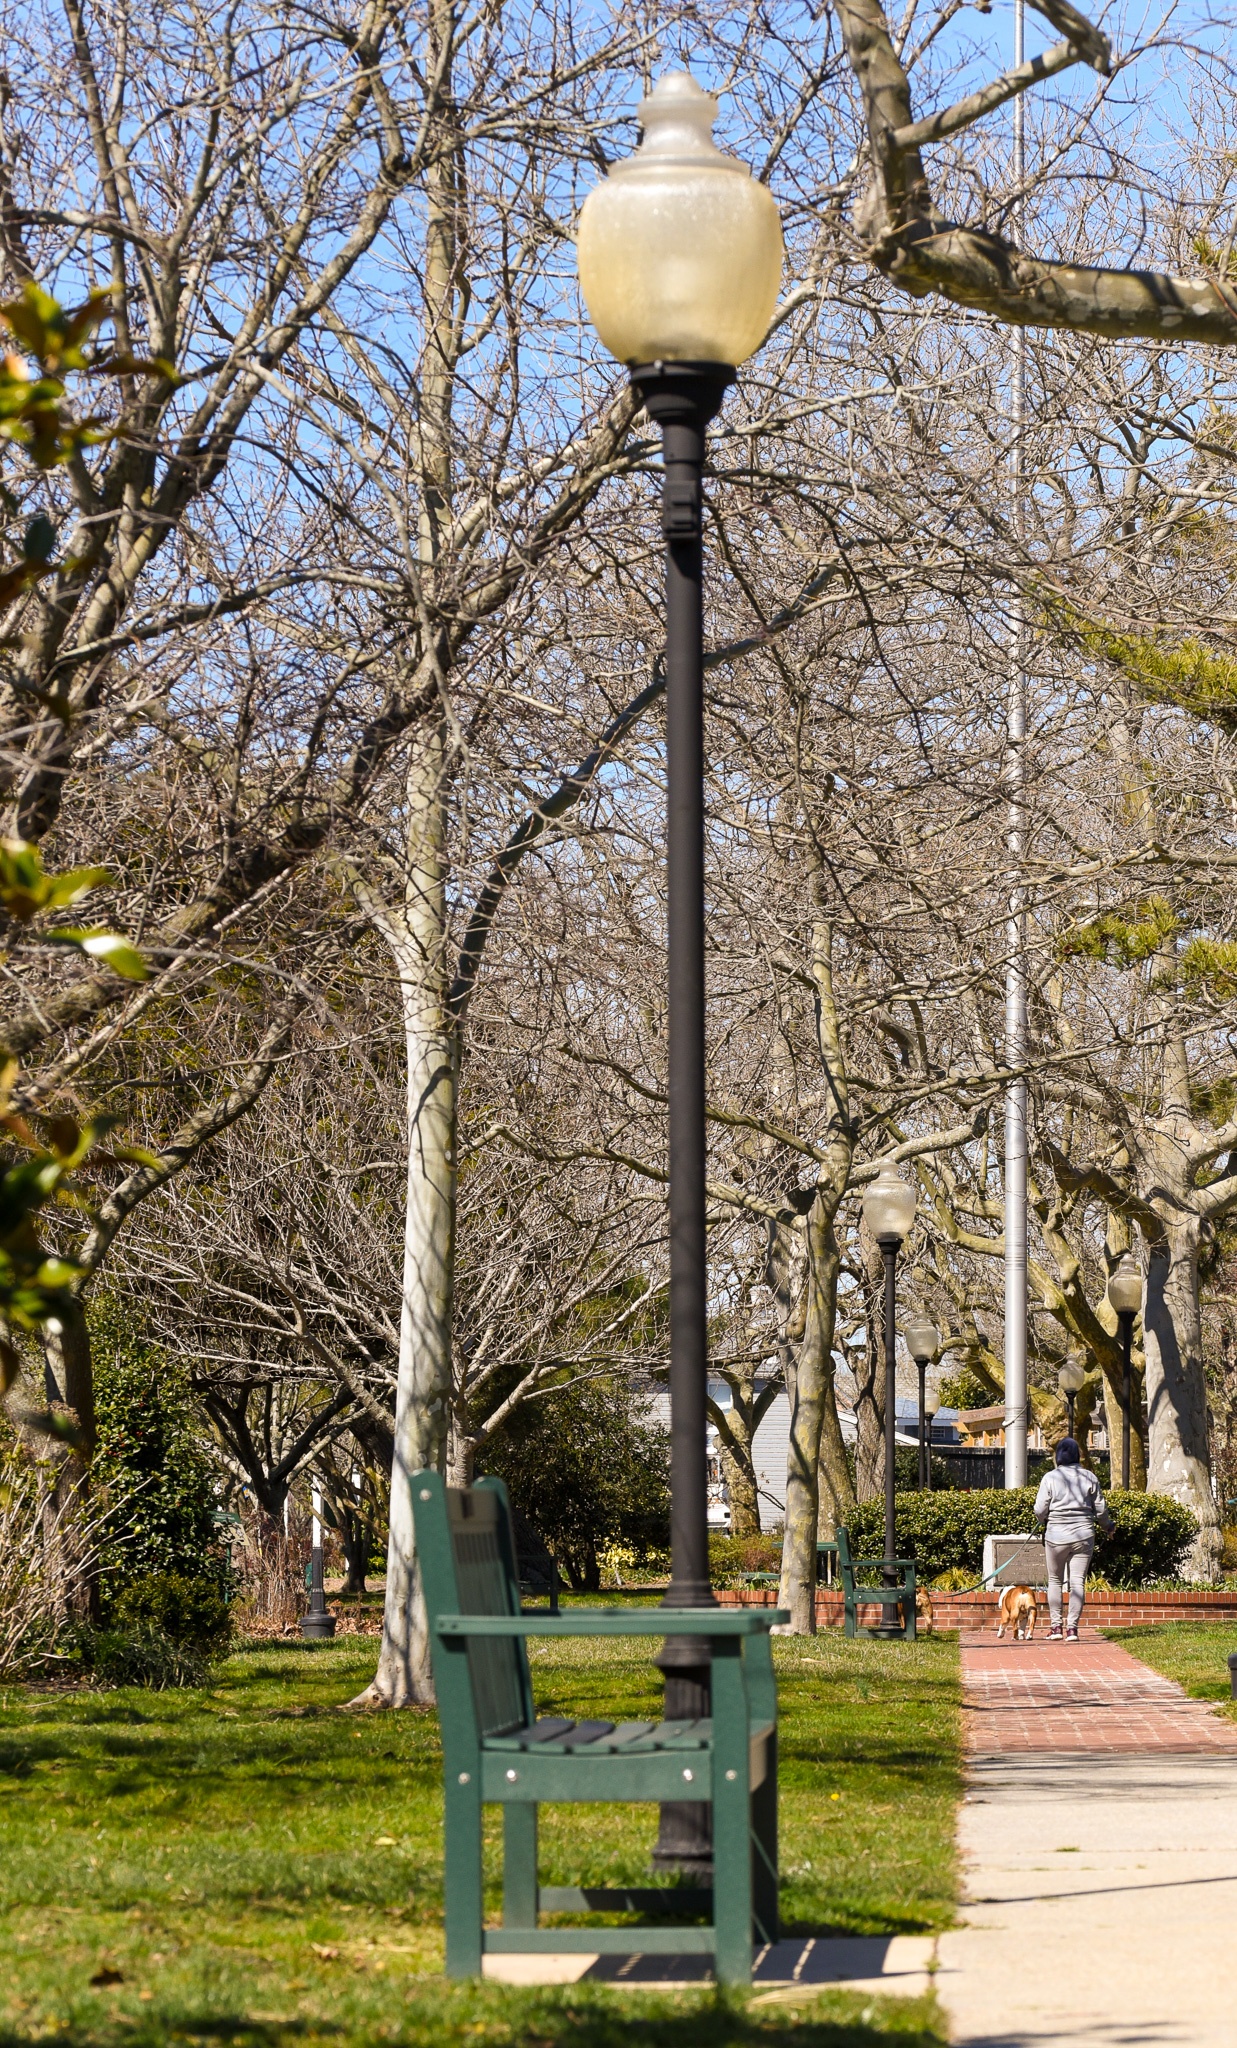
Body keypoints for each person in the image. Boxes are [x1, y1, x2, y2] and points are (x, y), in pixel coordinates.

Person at [1033, 1437, 1114, 1642]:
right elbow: (1101, 1510)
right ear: (1077, 1455)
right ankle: (1072, 1630)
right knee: (1077, 1582)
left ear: (1058, 1456)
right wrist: (1108, 1527)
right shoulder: (1089, 1477)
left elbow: (1040, 1509)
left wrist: (1042, 1520)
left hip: (1056, 1536)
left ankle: (1056, 1627)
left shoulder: (1050, 1478)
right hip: (1084, 1535)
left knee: (1055, 1580)